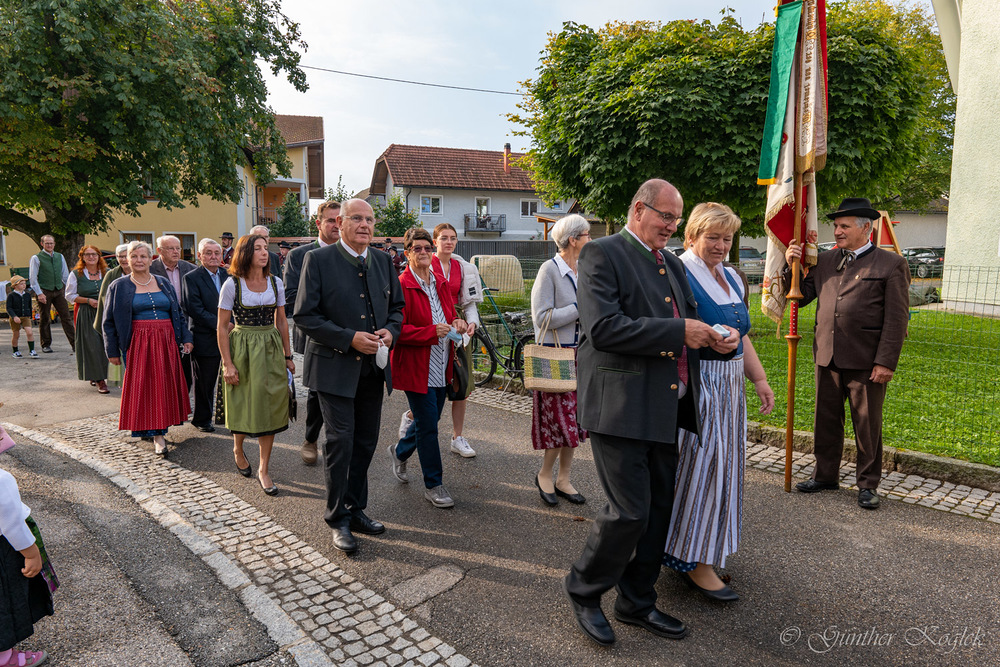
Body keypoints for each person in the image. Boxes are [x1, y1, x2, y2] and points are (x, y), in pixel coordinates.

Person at [563, 179, 738, 646]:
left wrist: (715, 337)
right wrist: (680, 331)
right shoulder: (602, 253)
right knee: (629, 513)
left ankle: (636, 601)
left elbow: (686, 321)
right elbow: (604, 328)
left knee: (659, 510)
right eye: (666, 216)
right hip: (619, 407)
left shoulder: (670, 263)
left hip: (666, 405)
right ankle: (583, 589)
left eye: (676, 218)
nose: (672, 225)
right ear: (639, 210)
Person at [663, 203, 775, 602]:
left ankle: (703, 550)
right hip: (698, 383)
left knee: (725, 469)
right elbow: (666, 330)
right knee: (701, 468)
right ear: (691, 235)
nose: (721, 245)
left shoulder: (731, 276)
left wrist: (759, 379)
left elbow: (743, 335)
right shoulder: (678, 273)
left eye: (727, 238)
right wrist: (706, 338)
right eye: (712, 237)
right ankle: (692, 559)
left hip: (730, 386)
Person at [294, 199, 405, 555]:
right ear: (339, 223)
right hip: (333, 369)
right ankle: (337, 518)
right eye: (356, 218)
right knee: (340, 441)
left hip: (372, 369)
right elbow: (305, 316)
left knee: (366, 441)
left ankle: (356, 509)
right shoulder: (318, 260)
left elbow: (397, 309)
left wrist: (391, 331)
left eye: (369, 219)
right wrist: (348, 338)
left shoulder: (383, 261)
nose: (364, 225)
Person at [784, 197, 910, 510]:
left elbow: (897, 319)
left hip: (866, 361)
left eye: (844, 226)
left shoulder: (890, 264)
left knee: (867, 425)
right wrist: (791, 266)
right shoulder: (826, 260)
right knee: (825, 420)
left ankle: (867, 485)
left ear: (866, 228)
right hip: (827, 356)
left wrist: (885, 362)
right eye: (836, 226)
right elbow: (802, 296)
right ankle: (825, 475)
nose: (837, 231)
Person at [388, 228, 468, 509]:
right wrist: (430, 332)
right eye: (417, 248)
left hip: (442, 364)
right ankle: (434, 485)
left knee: (428, 422)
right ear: (407, 253)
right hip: (415, 368)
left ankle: (399, 452)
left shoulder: (440, 282)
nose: (424, 252)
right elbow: (396, 330)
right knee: (429, 428)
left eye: (427, 248)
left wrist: (457, 323)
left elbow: (450, 315)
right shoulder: (401, 285)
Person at [396, 223, 481, 459]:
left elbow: (468, 302)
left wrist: (470, 322)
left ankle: (457, 436)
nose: (449, 242)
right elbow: (401, 326)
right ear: (436, 242)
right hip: (428, 335)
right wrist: (432, 329)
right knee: (429, 416)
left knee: (461, 386)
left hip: (454, 332)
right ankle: (412, 424)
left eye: (453, 238)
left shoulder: (462, 267)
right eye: (444, 238)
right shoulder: (421, 268)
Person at [217, 234, 293, 496]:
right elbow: (222, 327)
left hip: (270, 346)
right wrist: (227, 364)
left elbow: (281, 321)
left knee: (270, 405)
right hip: (242, 347)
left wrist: (288, 356)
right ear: (245, 253)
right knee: (243, 403)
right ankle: (238, 448)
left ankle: (263, 468)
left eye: (265, 248)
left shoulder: (275, 282)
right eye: (257, 248)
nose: (264, 253)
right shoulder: (232, 284)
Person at [103, 241, 193, 457]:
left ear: (151, 259)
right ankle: (157, 436)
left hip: (166, 341)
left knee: (163, 386)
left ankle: (156, 427)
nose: (138, 260)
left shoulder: (163, 282)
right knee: (145, 387)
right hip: (138, 343)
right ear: (127, 259)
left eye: (143, 256)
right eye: (134, 256)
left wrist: (186, 337)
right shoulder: (119, 286)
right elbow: (109, 322)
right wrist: (112, 351)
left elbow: (178, 313)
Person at [528, 214, 591, 506]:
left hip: (581, 355)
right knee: (558, 419)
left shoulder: (584, 269)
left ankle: (564, 478)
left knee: (576, 420)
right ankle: (544, 473)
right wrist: (579, 307)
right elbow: (542, 318)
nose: (591, 239)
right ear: (573, 240)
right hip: (556, 355)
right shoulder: (549, 270)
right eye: (587, 234)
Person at [283, 199, 341, 465]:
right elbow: (293, 297)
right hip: (316, 333)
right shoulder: (300, 255)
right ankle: (310, 438)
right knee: (318, 390)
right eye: (330, 220)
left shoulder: (351, 253)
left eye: (340, 220)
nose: (336, 225)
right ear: (318, 223)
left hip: (349, 334)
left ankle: (341, 441)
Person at [0, 427, 55, 667]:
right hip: (4, 553)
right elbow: (12, 524)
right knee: (5, 603)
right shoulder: (2, 481)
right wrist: (32, 554)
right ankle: (5, 657)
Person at [182, 239, 229, 433]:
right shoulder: (191, 278)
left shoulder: (228, 275)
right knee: (205, 381)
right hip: (205, 336)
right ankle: (202, 419)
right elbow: (194, 308)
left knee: (231, 378)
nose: (213, 256)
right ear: (199, 256)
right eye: (208, 253)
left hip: (230, 335)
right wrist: (221, 324)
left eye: (217, 253)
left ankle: (230, 417)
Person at [150, 235, 196, 389]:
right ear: (159, 250)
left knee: (185, 370)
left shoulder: (190, 269)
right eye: (171, 248)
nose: (176, 251)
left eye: (178, 248)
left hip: (186, 323)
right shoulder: (150, 269)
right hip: (161, 324)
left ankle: (183, 397)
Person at [65, 245, 110, 394]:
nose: (91, 257)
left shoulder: (107, 272)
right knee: (93, 345)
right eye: (87, 254)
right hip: (86, 313)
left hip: (106, 312)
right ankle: (99, 379)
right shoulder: (76, 274)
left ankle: (98, 374)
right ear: (82, 257)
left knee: (107, 344)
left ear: (99, 256)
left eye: (94, 254)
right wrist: (88, 300)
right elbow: (69, 295)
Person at [28, 234, 75, 353]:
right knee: (45, 318)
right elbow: (33, 278)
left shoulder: (60, 256)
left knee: (66, 317)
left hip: (58, 290)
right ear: (42, 244)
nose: (49, 245)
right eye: (47, 243)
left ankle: (75, 343)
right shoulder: (36, 258)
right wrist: (39, 293)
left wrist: (71, 289)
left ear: (54, 244)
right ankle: (46, 344)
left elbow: (65, 275)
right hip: (44, 291)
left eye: (51, 243)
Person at [94, 244, 130, 388]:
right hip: (118, 320)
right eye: (120, 257)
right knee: (118, 355)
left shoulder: (143, 272)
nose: (124, 259)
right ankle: (121, 383)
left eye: (126, 256)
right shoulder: (112, 274)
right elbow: (104, 297)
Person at [6, 276, 37, 359]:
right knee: (16, 334)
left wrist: (30, 315)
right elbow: (9, 308)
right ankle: (15, 351)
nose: (24, 285)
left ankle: (32, 350)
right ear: (15, 286)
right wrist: (14, 316)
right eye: (21, 284)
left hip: (25, 317)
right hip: (15, 317)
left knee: (29, 332)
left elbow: (29, 306)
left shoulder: (27, 295)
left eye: (24, 283)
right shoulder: (11, 295)